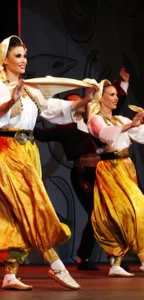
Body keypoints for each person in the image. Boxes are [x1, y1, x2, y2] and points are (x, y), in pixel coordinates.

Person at [0, 35, 96, 291]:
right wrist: (11, 98)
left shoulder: (29, 88)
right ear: (4, 59)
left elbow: (51, 108)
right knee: (32, 206)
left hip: (27, 151)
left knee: (19, 213)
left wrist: (84, 102)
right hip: (7, 149)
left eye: (25, 56)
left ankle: (10, 274)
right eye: (17, 56)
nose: (23, 61)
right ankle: (57, 265)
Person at [33, 89, 101, 271]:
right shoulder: (64, 128)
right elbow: (41, 134)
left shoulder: (92, 122)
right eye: (73, 101)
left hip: (102, 172)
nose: (78, 102)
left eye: (80, 100)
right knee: (96, 213)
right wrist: (27, 115)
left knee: (108, 212)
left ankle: (111, 258)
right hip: (83, 172)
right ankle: (84, 257)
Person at [87, 79, 144, 277]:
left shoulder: (120, 119)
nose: (115, 97)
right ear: (100, 98)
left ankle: (116, 264)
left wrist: (136, 124)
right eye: (111, 94)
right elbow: (105, 135)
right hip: (109, 169)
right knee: (134, 207)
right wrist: (130, 126)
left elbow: (142, 135)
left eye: (116, 94)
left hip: (126, 168)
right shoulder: (95, 119)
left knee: (121, 213)